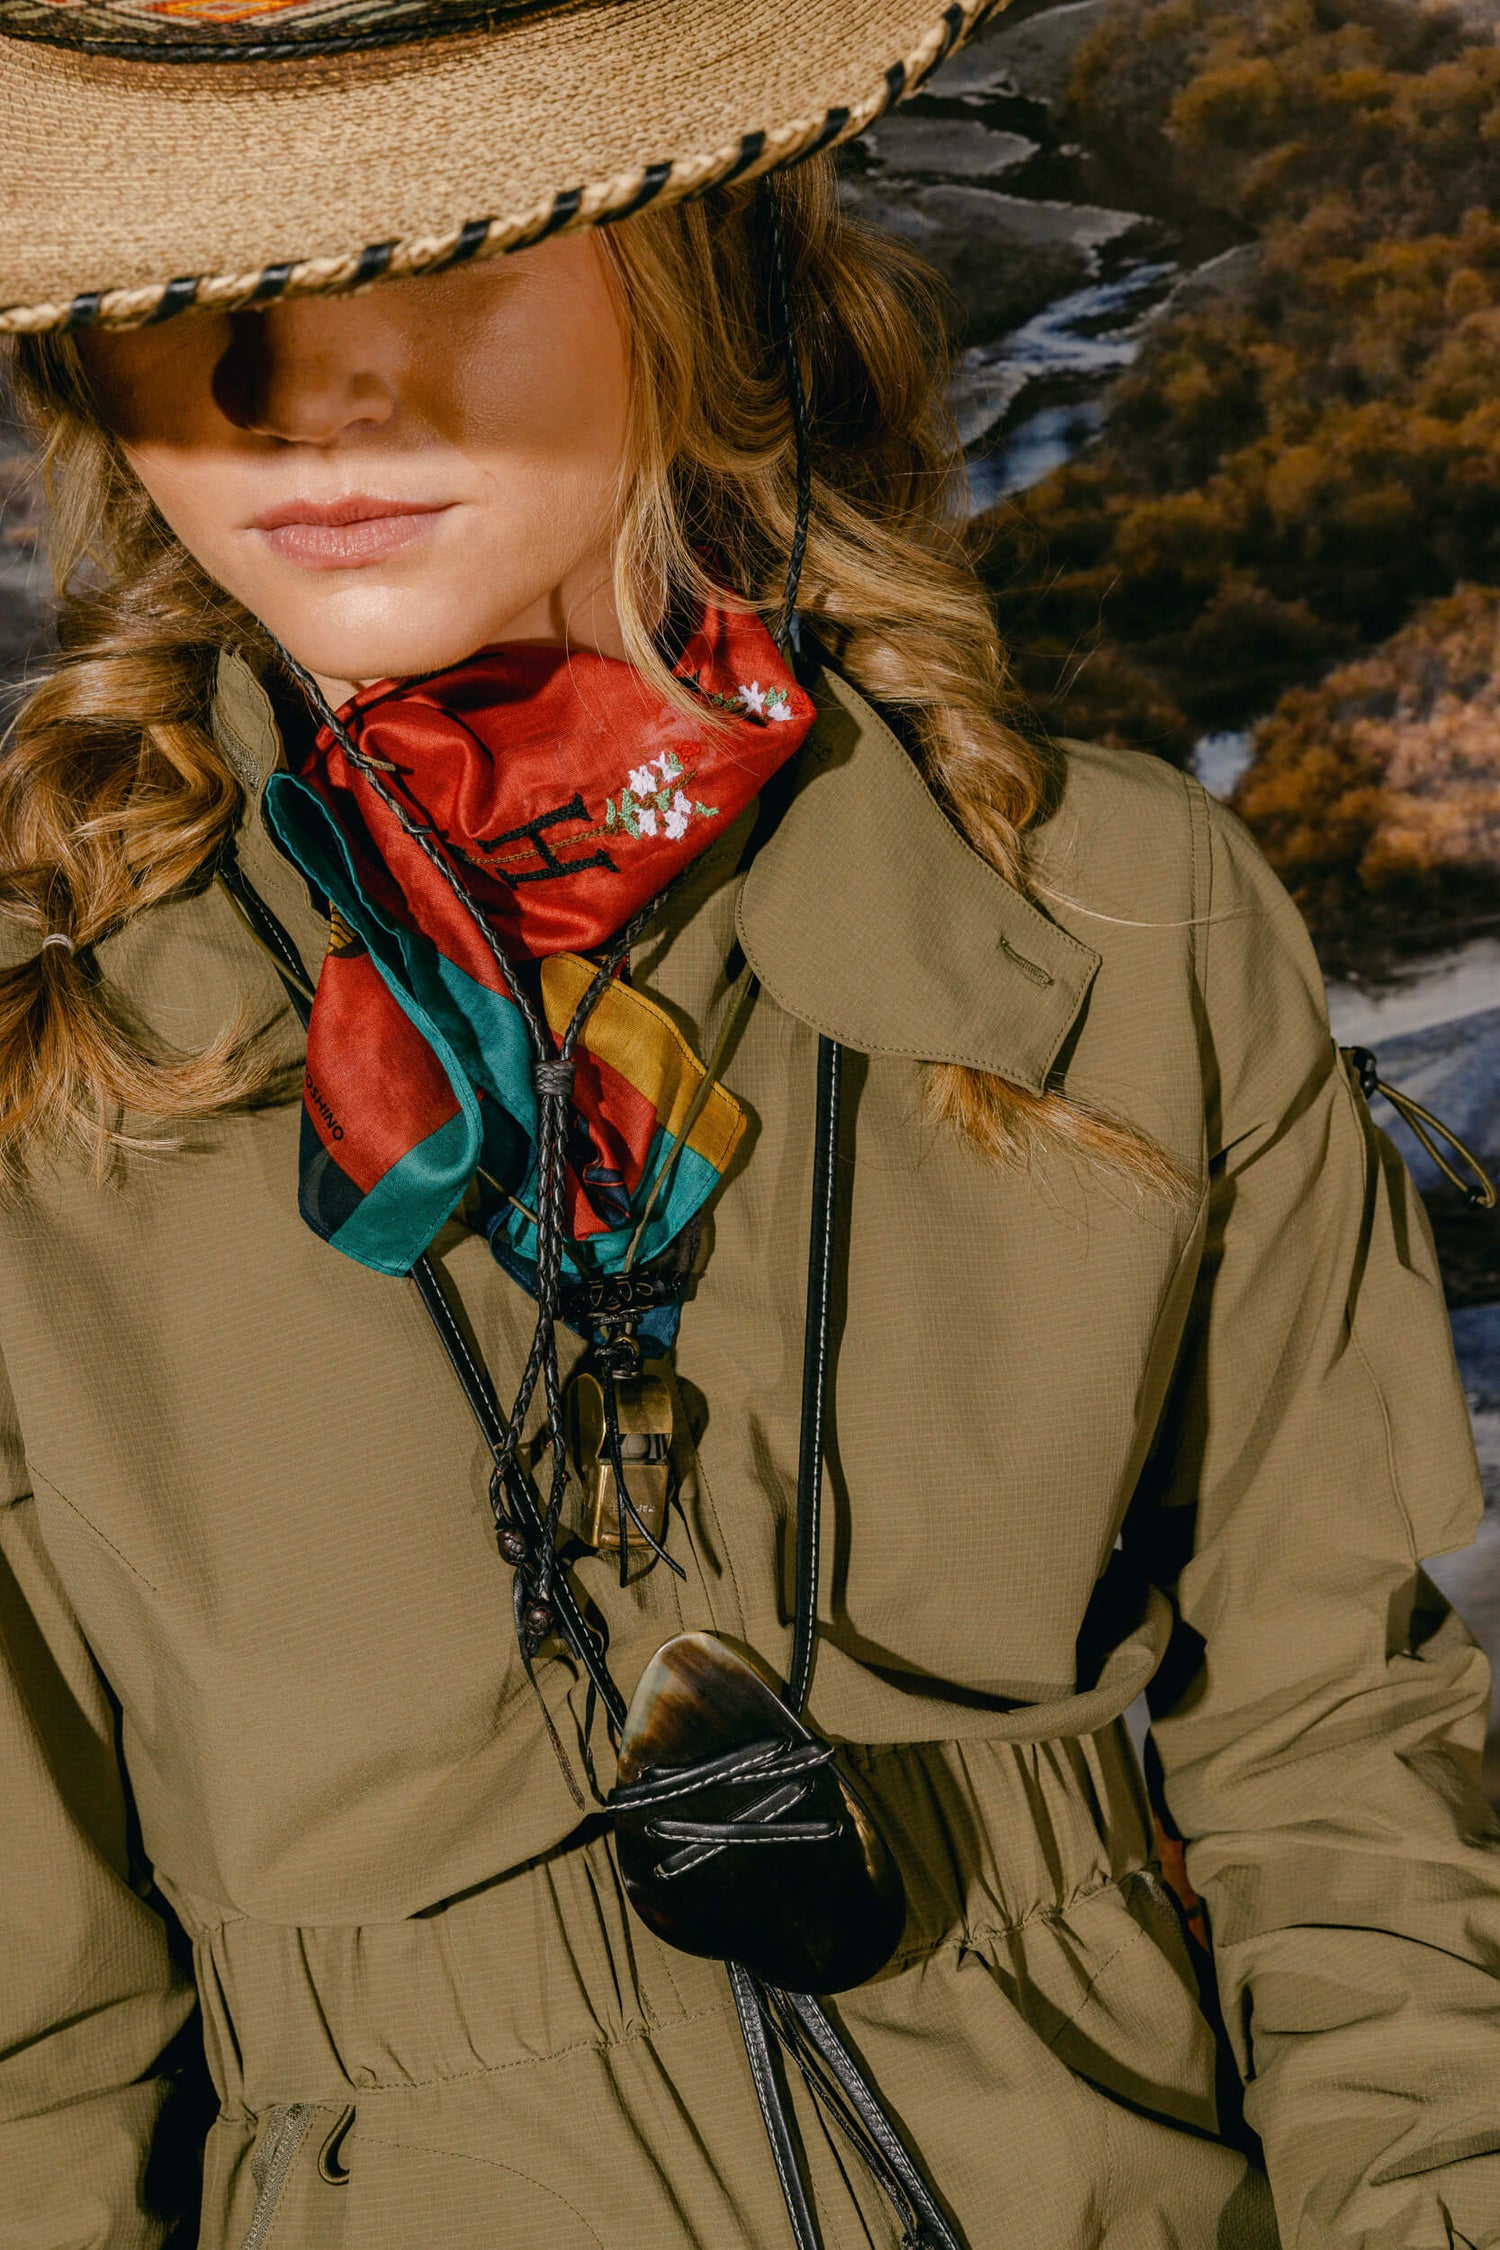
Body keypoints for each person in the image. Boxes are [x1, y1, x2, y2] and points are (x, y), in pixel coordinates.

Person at [1, 1, 1498, 2245]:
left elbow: (1345, 1778)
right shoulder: (42, 1078)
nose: (300, 396)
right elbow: (29, 2057)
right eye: (197, 298)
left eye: (441, 253)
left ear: (686, 272)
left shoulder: (1125, 926)